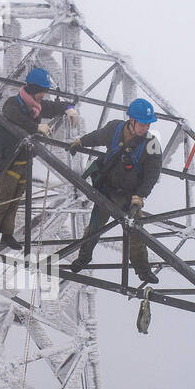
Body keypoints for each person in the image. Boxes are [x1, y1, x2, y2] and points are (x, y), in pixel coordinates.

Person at [66, 97, 163, 284]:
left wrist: (140, 196)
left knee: (136, 233)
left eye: (148, 125)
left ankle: (142, 270)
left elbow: (152, 173)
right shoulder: (115, 129)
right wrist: (80, 142)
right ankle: (83, 259)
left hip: (129, 196)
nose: (145, 129)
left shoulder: (151, 144)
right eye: (142, 124)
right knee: (94, 229)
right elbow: (97, 136)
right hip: (107, 190)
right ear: (131, 121)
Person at [0, 67, 78, 252]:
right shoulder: (13, 104)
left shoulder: (36, 107)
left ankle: (7, 234)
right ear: (34, 89)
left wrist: (68, 108)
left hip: (24, 160)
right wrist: (35, 128)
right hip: (9, 160)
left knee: (15, 199)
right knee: (3, 199)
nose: (44, 95)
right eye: (42, 91)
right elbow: (14, 117)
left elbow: (52, 107)